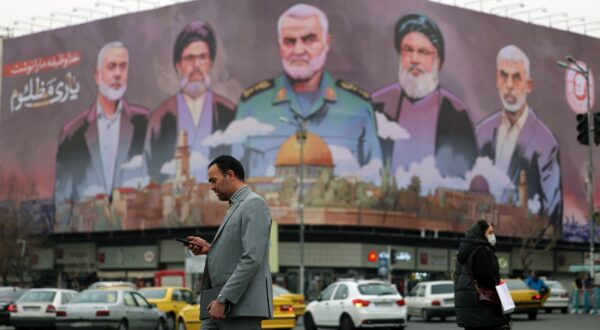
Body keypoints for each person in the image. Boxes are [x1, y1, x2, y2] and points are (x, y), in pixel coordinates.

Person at [233, 3, 382, 177]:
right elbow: (232, 184)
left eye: (309, 39)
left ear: (327, 43)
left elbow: (376, 181)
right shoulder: (252, 106)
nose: (298, 50)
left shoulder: (358, 106)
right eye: (289, 41)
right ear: (279, 44)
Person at [54, 41, 149, 232]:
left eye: (123, 67)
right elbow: (63, 200)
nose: (117, 74)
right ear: (97, 76)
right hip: (85, 233)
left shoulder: (145, 123)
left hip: (137, 227)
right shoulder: (72, 132)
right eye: (111, 66)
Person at [372, 13, 477, 178]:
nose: (414, 59)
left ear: (438, 61)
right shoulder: (377, 104)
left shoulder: (456, 114)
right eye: (408, 50)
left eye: (423, 52)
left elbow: (462, 181)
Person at [476, 45, 562, 224]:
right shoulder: (481, 132)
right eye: (503, 75)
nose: (509, 85)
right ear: (496, 79)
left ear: (528, 85)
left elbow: (552, 213)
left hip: (525, 244)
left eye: (516, 77)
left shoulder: (545, 143)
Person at [187, 155, 273, 329]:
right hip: (217, 305)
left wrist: (224, 299)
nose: (211, 187)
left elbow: (252, 258)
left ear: (231, 175)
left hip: (240, 306)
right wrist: (210, 249)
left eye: (213, 180)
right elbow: (235, 253)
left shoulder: (254, 204)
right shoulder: (236, 206)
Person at [145, 20, 236, 184]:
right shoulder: (159, 118)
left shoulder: (229, 113)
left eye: (202, 57)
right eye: (189, 58)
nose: (196, 65)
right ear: (178, 65)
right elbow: (150, 174)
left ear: (210, 62)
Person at [454, 220, 509, 329]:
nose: (493, 236)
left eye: (493, 233)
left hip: (468, 308)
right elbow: (484, 276)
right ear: (480, 234)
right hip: (483, 309)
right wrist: (497, 282)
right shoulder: (481, 250)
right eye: (489, 233)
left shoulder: (464, 252)